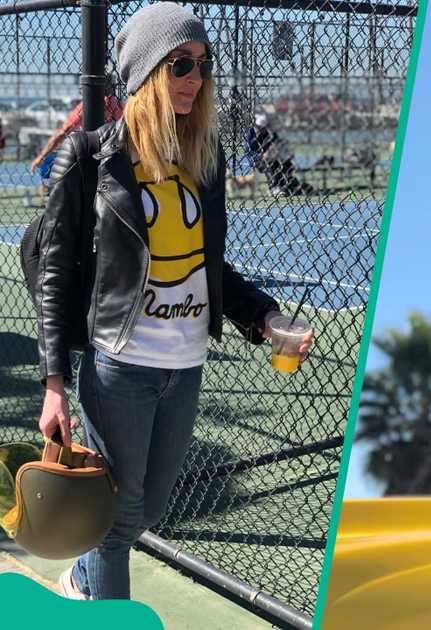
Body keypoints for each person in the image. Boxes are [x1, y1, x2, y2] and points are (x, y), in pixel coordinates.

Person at [34, 2, 314, 600]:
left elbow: (209, 268)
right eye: (180, 64)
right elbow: (55, 272)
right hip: (120, 368)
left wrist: (265, 317)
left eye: (203, 65)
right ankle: (102, 600)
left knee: (148, 510)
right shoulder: (91, 157)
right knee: (115, 524)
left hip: (184, 368)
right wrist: (54, 382)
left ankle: (81, 578)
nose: (195, 78)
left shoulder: (204, 163)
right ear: (145, 73)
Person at [31, 96, 124, 193]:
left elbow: (62, 133)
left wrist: (41, 157)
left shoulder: (87, 104)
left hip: (88, 158)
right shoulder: (116, 103)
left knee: (52, 163)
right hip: (111, 157)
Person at [244, 112, 314, 196]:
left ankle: (291, 185)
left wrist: (278, 152)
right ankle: (274, 188)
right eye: (260, 127)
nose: (262, 129)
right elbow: (249, 153)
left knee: (285, 164)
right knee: (269, 164)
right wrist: (261, 156)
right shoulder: (249, 134)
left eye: (264, 127)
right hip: (256, 160)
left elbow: (278, 144)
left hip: (272, 157)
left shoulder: (269, 133)